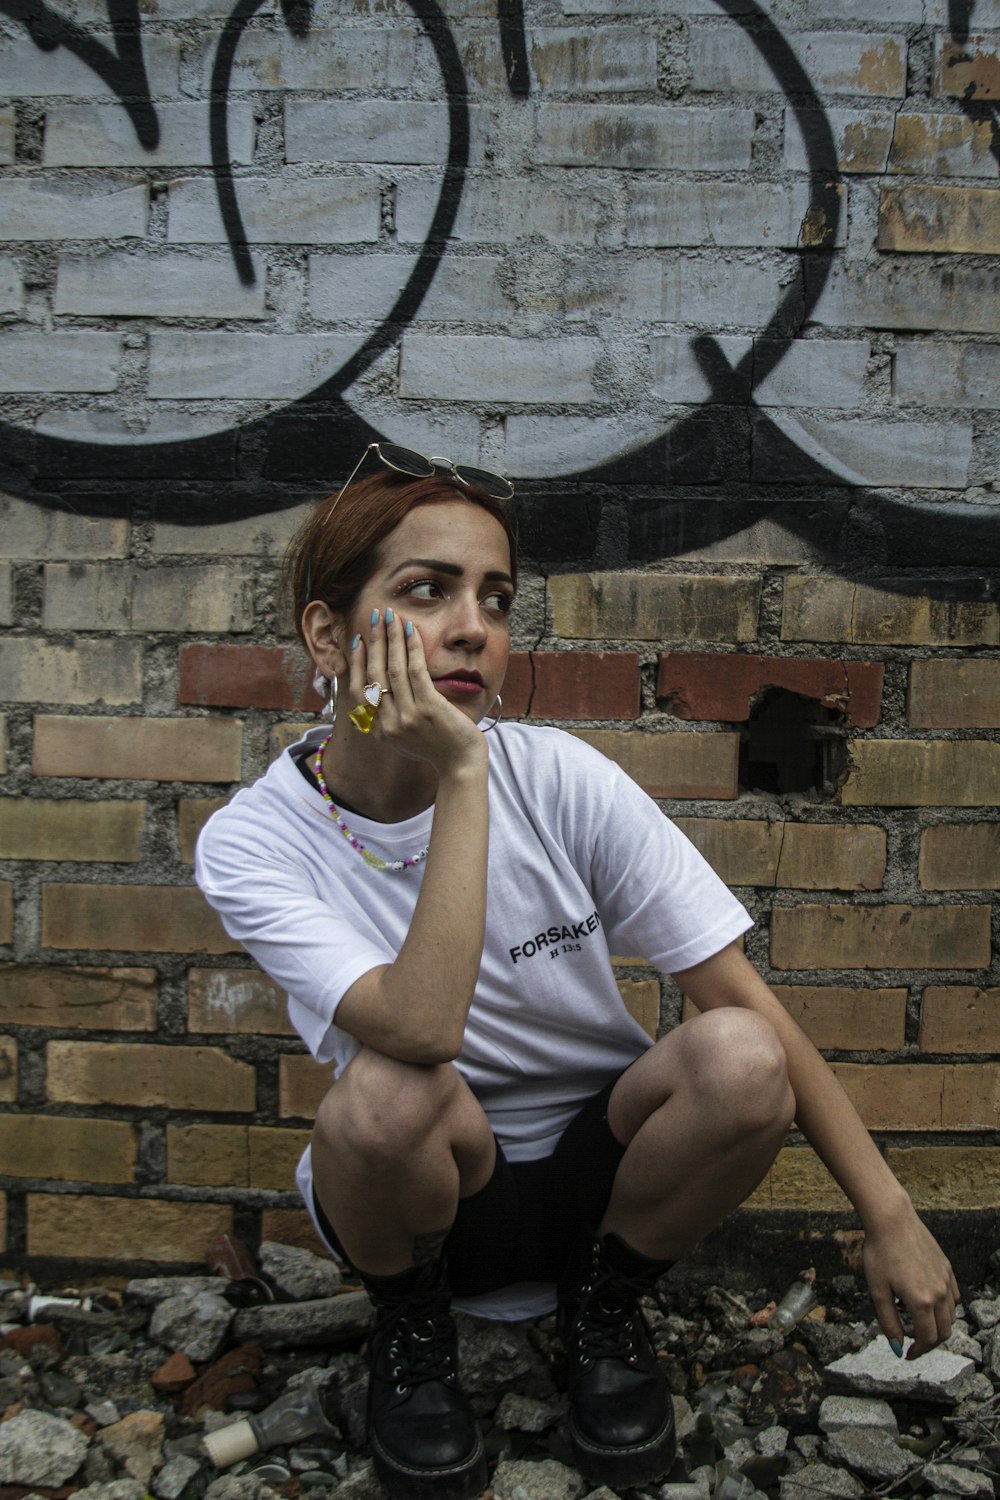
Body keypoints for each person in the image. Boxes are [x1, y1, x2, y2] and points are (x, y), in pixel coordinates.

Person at [195, 442, 959, 1500]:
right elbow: (417, 1029)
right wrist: (462, 773)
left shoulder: (561, 779)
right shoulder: (255, 841)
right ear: (327, 634)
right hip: (427, 1194)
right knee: (386, 1090)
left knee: (739, 1056)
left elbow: (746, 1006)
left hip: (602, 1182)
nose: (473, 627)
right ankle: (414, 1337)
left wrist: (889, 1214)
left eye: (496, 598)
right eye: (427, 591)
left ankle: (604, 1312)